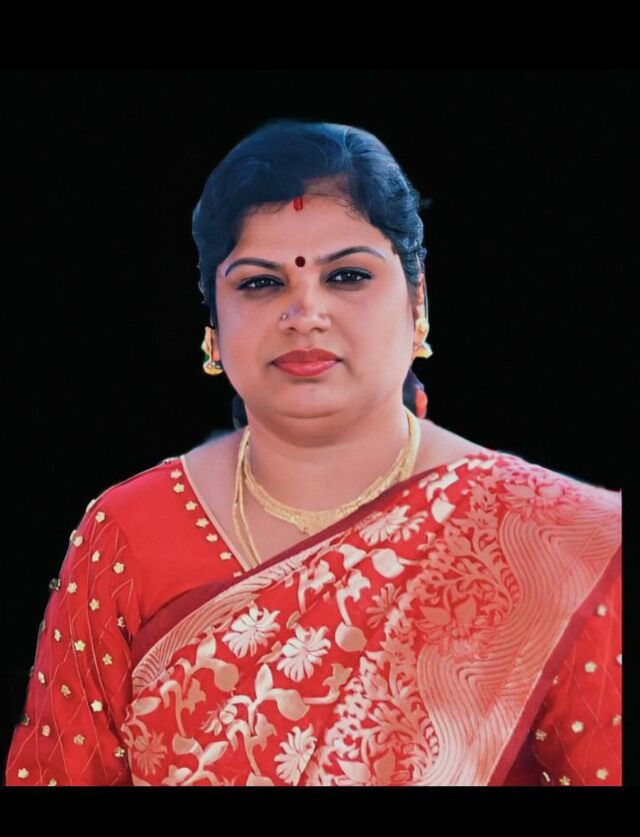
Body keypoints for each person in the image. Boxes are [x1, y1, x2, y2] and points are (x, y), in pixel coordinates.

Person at [4, 119, 621, 787]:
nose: (305, 313)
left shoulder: (553, 537)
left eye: (347, 276)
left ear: (418, 302)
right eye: (260, 283)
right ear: (213, 326)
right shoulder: (127, 532)